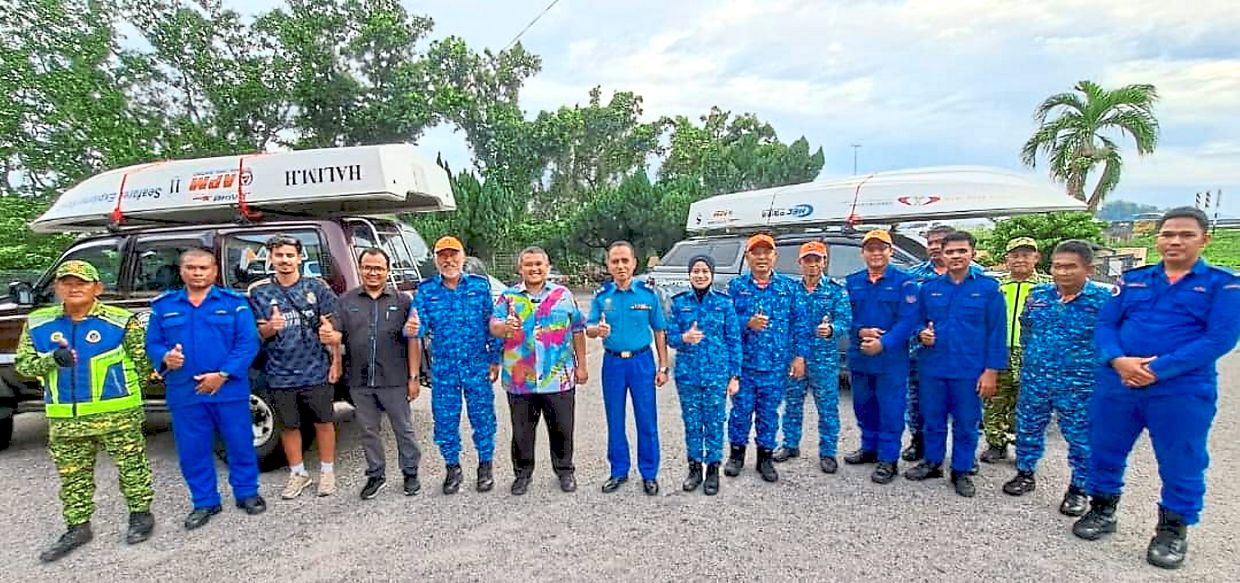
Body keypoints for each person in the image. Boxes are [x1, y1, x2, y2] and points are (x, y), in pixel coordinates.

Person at [1072, 207, 1240, 570]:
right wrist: (1118, 360)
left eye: (1185, 235)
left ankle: (1173, 529)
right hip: (1118, 382)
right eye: (1168, 234)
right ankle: (1103, 508)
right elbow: (1105, 325)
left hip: (1181, 389)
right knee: (1104, 448)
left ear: (1204, 239)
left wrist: (1157, 369)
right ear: (1157, 238)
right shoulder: (1134, 280)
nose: (1175, 241)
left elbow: (1220, 338)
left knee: (1182, 459)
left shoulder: (1223, 284)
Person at [16, 260, 157, 562]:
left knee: (132, 469)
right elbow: (24, 365)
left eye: (82, 282)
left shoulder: (121, 320)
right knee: (73, 477)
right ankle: (77, 527)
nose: (74, 287)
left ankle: (140, 515)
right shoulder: (39, 323)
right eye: (67, 282)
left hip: (118, 413)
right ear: (57, 287)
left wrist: (124, 391)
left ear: (98, 288)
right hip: (65, 417)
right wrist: (53, 359)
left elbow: (143, 362)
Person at [146, 248, 265, 530]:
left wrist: (223, 374)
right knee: (192, 449)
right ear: (181, 270)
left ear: (214, 271)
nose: (197, 273)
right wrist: (165, 357)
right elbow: (152, 343)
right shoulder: (164, 306)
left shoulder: (234, 303)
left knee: (239, 443)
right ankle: (204, 501)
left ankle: (247, 493)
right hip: (185, 391)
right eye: (191, 267)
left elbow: (247, 343)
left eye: (203, 268)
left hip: (228, 390)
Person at [1002, 240, 1106, 517]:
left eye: (1071, 267)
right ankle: (1025, 472)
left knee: (1080, 436)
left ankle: (1079, 488)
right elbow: (1026, 330)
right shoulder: (1038, 296)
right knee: (1027, 427)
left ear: (1089, 269)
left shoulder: (1102, 301)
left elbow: (1113, 341)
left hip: (1079, 382)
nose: (1063, 272)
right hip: (1036, 377)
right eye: (1058, 266)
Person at [905, 231, 1006, 498]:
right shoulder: (930, 289)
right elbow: (915, 321)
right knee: (933, 420)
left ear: (972, 253)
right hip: (933, 368)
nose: (956, 256)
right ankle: (933, 462)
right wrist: (920, 334)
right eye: (950, 252)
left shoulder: (988, 289)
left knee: (966, 422)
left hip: (969, 369)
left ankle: (961, 470)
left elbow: (997, 333)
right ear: (942, 255)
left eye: (962, 251)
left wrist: (991, 371)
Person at [249, 234, 342, 499]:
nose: (285, 260)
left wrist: (336, 362)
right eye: (279, 255)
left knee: (324, 422)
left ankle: (326, 472)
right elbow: (255, 333)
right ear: (270, 258)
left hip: (316, 368)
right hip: (279, 372)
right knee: (289, 426)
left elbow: (332, 328)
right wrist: (270, 328)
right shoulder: (259, 292)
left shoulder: (317, 288)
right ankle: (298, 474)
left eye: (290, 255)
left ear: (300, 258)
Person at [408, 236, 503, 495]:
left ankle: (485, 467)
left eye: (453, 255)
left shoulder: (480, 286)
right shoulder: (426, 290)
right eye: (443, 255)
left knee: (483, 418)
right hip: (445, 369)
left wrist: (495, 358)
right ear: (436, 259)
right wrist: (412, 327)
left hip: (476, 364)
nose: (448, 260)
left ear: (463, 257)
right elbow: (417, 326)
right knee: (446, 421)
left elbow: (490, 324)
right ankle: (453, 468)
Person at [490, 246, 588, 495]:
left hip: (559, 378)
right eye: (529, 264)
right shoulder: (508, 297)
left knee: (562, 428)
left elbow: (577, 329)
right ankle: (522, 474)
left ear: (547, 267)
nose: (534, 269)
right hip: (520, 379)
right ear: (520, 268)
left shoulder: (563, 295)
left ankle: (565, 471)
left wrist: (582, 365)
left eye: (539, 264)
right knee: (522, 431)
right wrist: (503, 326)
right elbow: (493, 326)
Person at [333, 248, 422, 499]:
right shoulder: (346, 301)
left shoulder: (403, 301)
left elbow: (413, 340)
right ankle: (376, 474)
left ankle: (410, 472)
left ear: (387, 271)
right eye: (368, 267)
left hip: (394, 378)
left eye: (379, 268)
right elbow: (338, 336)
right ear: (361, 269)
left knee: (403, 428)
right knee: (368, 430)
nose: (373, 272)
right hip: (359, 380)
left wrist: (414, 378)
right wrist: (330, 338)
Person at [587, 241, 670, 495]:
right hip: (613, 363)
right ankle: (618, 470)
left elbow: (659, 330)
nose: (621, 266)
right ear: (608, 265)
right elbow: (589, 327)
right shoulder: (602, 296)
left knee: (646, 419)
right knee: (615, 419)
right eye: (615, 261)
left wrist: (663, 366)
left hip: (641, 362)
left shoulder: (648, 294)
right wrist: (596, 331)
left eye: (625, 261)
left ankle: (649, 472)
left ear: (634, 263)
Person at [724, 234, 809, 483]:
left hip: (775, 366)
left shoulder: (788, 288)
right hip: (745, 366)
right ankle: (736, 456)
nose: (761, 257)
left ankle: (765, 459)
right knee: (740, 413)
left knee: (769, 413)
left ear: (775, 256)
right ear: (748, 257)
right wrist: (746, 322)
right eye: (756, 253)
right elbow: (725, 324)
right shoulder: (736, 287)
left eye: (766, 252)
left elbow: (800, 324)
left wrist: (799, 356)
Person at [843, 230, 920, 484]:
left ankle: (888, 459)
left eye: (881, 248)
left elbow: (909, 321)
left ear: (890, 251)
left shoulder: (905, 283)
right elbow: (844, 317)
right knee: (863, 406)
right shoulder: (852, 281)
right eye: (870, 249)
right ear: (863, 253)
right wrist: (860, 331)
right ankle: (870, 448)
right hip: (860, 356)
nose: (876, 253)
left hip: (890, 360)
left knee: (890, 409)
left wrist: (883, 343)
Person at [904, 225, 985, 463]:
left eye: (939, 242)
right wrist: (919, 333)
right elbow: (908, 315)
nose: (934, 248)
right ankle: (919, 443)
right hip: (922, 354)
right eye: (929, 243)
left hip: (964, 356)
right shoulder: (914, 276)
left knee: (967, 410)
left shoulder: (980, 276)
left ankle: (965, 456)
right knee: (919, 402)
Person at [665, 255, 741, 495]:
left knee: (715, 423)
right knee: (692, 424)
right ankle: (695, 469)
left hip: (716, 375)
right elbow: (669, 336)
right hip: (688, 375)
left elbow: (734, 340)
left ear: (712, 274)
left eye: (705, 271)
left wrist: (734, 376)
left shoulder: (724, 303)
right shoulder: (678, 303)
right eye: (696, 271)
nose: (700, 275)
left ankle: (713, 471)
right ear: (689, 274)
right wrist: (684, 338)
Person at [774, 241, 851, 474]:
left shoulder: (836, 291)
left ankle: (828, 452)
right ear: (800, 263)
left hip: (824, 359)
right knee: (793, 404)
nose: (813, 265)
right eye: (808, 260)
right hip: (796, 358)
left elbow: (845, 321)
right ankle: (790, 444)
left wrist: (832, 330)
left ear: (824, 262)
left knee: (827, 407)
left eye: (817, 260)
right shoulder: (790, 291)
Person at [982, 237, 1053, 463]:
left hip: (1032, 354)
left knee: (1028, 404)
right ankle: (996, 443)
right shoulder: (996, 287)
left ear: (1036, 257)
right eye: (1015, 255)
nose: (1020, 259)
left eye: (1026, 254)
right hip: (999, 351)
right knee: (994, 401)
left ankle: (1025, 447)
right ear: (1006, 260)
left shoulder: (1048, 289)